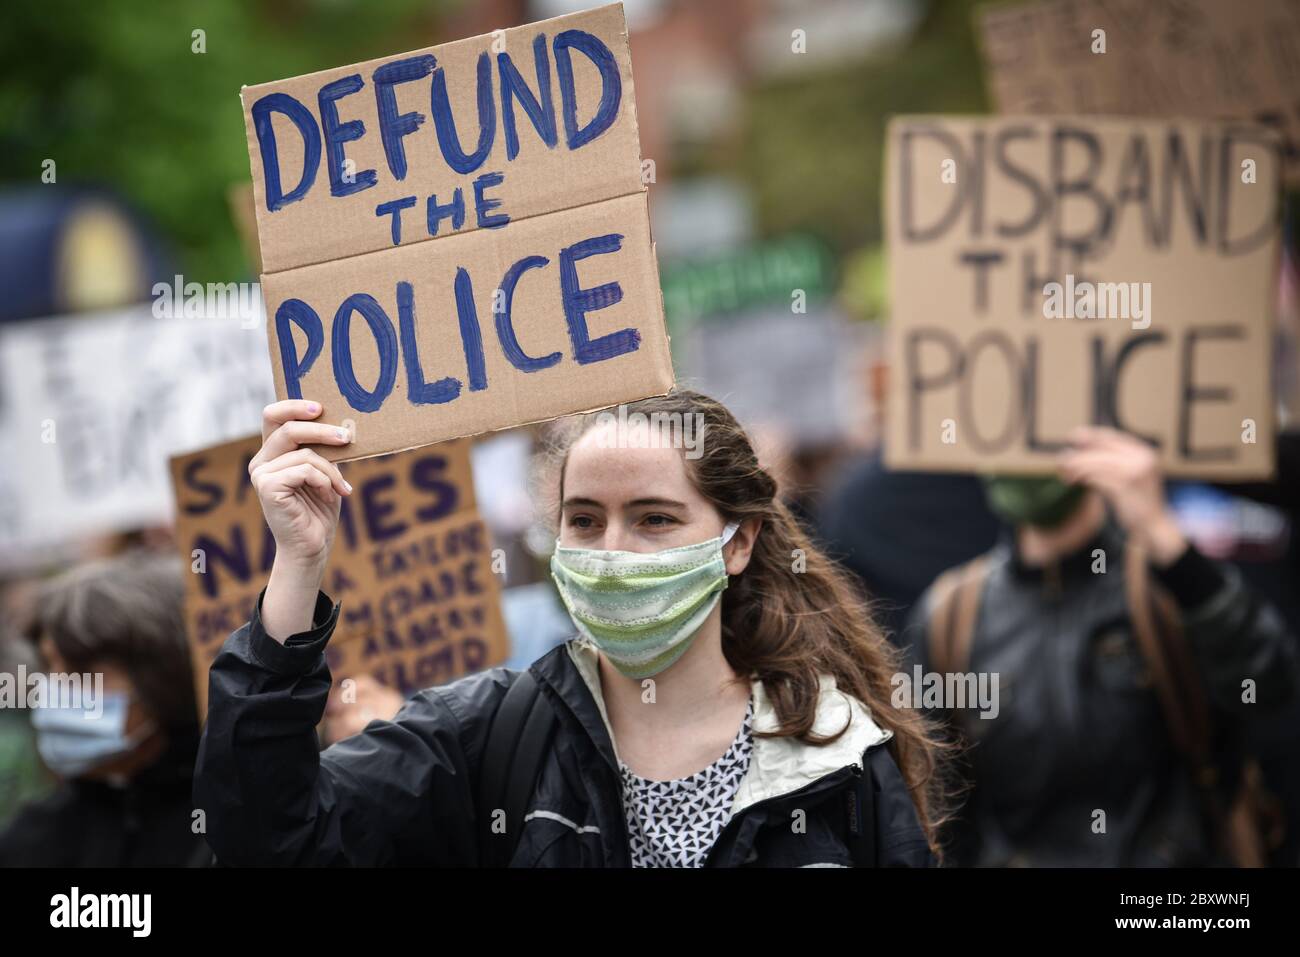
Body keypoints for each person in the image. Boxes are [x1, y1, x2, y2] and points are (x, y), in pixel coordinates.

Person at [194, 390, 947, 867]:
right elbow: (272, 841)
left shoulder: (836, 757)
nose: (612, 552)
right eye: (584, 520)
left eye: (654, 519)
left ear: (738, 542)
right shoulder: (486, 736)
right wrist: (298, 562)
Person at [907, 427, 1299, 867]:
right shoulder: (952, 616)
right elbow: (938, 810)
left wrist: (1166, 542)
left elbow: (1267, 685)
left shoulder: (1167, 589)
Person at [0, 552, 210, 867]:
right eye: (48, 666)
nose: (55, 690)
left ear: (164, 680)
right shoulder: (31, 840)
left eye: (82, 672)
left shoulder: (237, 828)